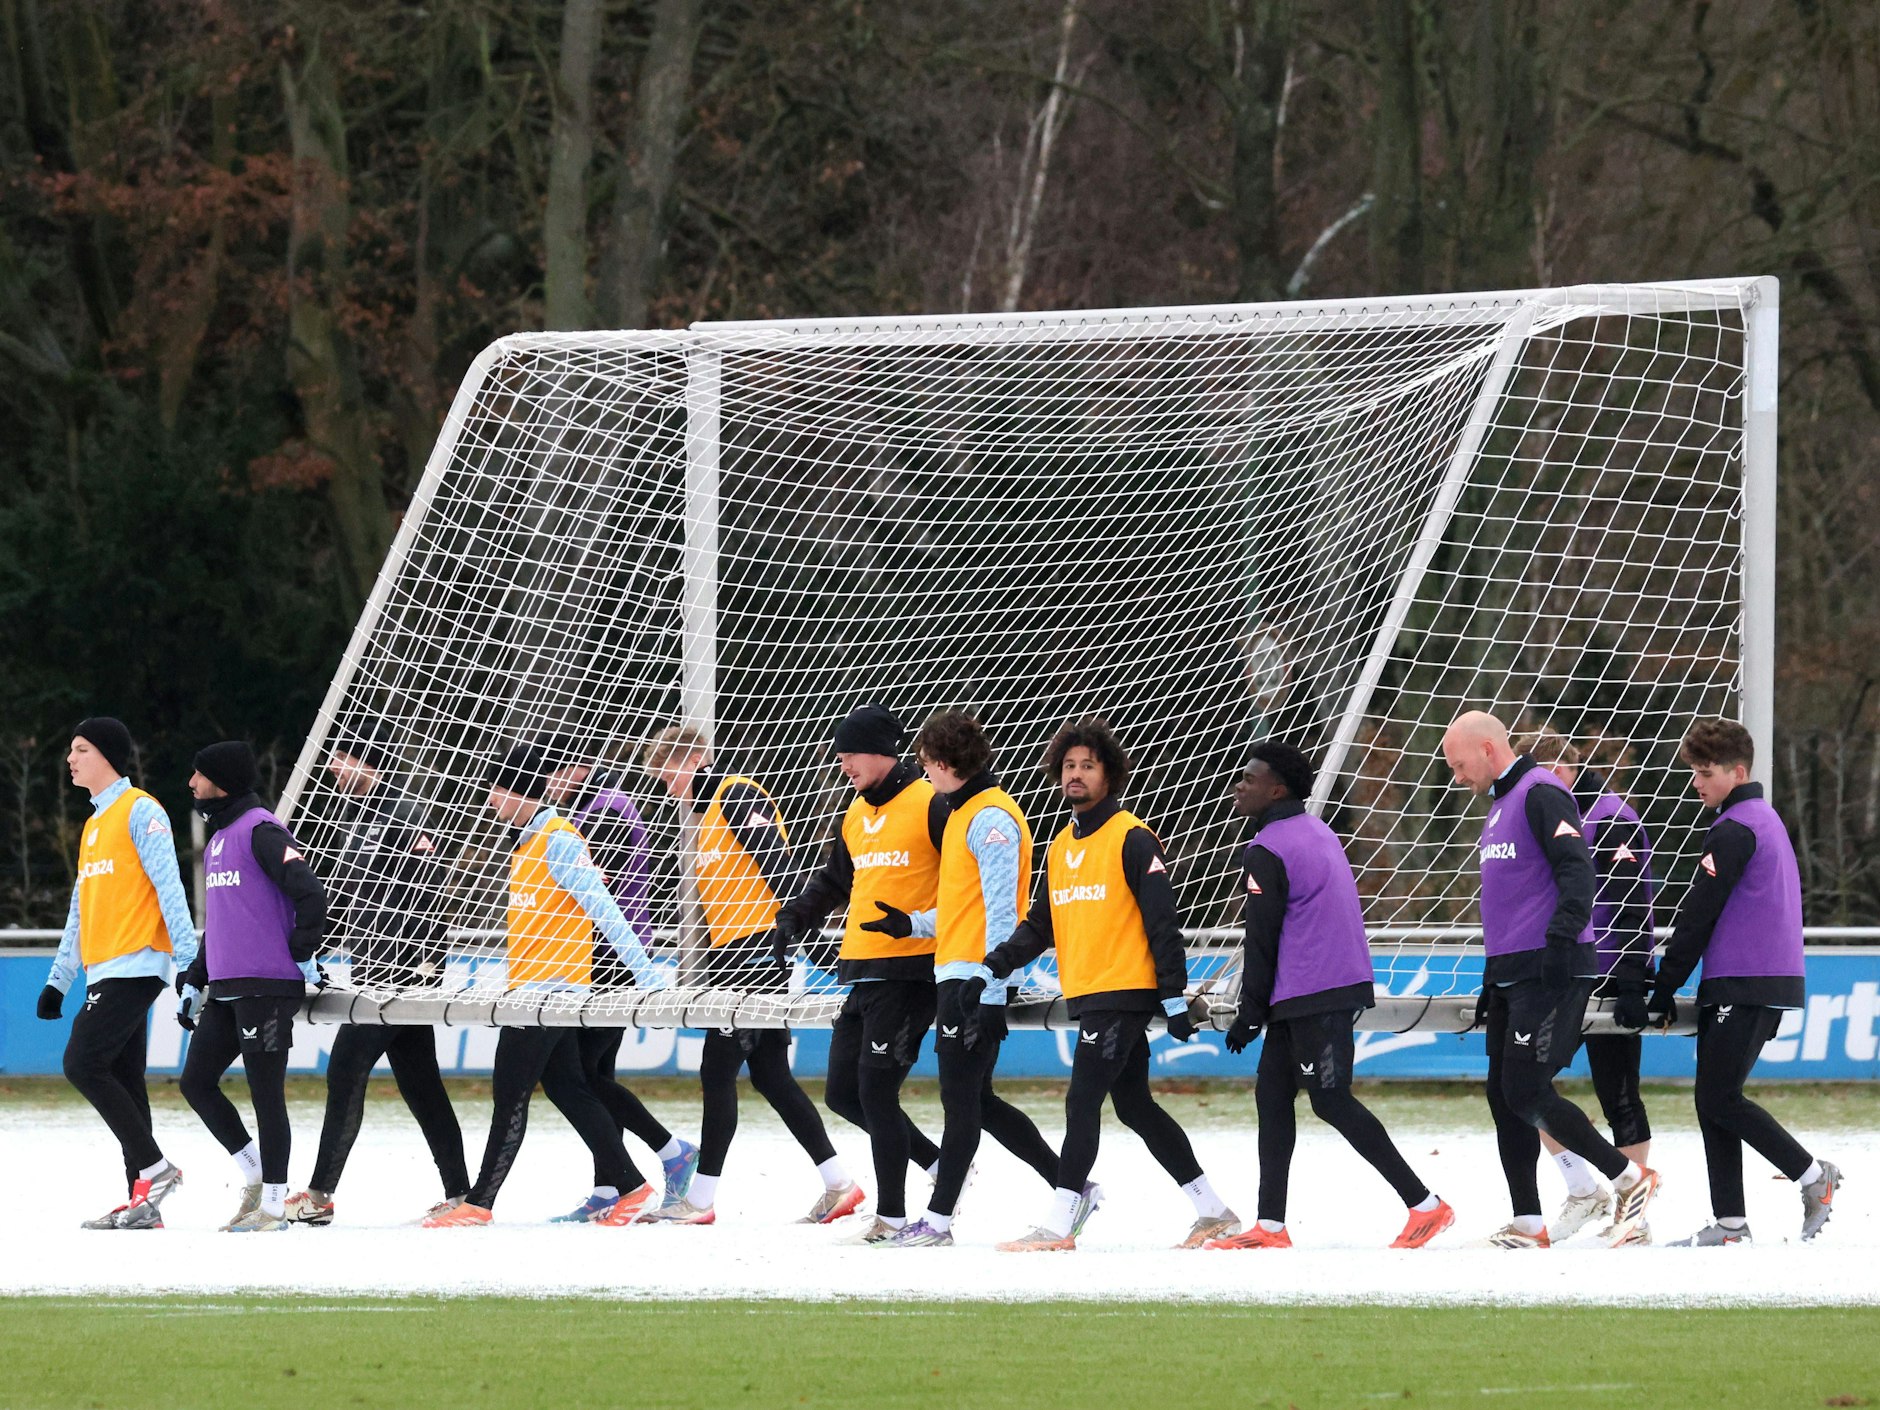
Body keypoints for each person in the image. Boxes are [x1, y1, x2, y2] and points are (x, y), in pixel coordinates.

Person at [976, 717, 1237, 1252]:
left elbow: (1162, 922)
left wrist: (1172, 995)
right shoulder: (1059, 846)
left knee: (1082, 1101)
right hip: (1090, 995)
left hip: (1124, 993)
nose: (1076, 774)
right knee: (1134, 1107)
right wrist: (997, 962)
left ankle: (1061, 1221)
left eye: (1087, 766)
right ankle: (1213, 1211)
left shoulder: (1133, 838)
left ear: (1109, 775)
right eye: (1069, 766)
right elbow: (1040, 924)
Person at [1207, 741, 1452, 1251]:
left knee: (1331, 1101)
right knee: (1272, 1097)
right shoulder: (1318, 831)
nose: (1238, 786)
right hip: (1314, 989)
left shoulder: (1267, 847)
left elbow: (1263, 936)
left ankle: (1426, 1206)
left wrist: (1249, 1013)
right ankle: (1270, 1227)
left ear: (1276, 788)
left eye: (1248, 779)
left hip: (1315, 990)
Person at [423, 740, 666, 1228]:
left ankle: (479, 1202)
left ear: (518, 791)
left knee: (510, 1093)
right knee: (567, 1088)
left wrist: (647, 975)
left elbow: (604, 907)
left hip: (551, 994)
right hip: (534, 991)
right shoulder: (530, 842)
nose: (490, 799)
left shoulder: (560, 838)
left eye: (495, 790)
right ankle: (632, 1187)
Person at [1440, 711, 1660, 1249]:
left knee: (1526, 1089)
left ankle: (1630, 1179)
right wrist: (1495, 975)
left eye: (1459, 764)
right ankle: (1528, 1223)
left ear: (1489, 749)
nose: (1456, 776)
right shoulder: (1499, 805)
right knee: (1502, 1093)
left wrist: (1563, 940)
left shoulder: (1541, 792)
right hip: (1513, 971)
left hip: (1550, 967)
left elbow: (1577, 871)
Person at [632, 725, 857, 1226]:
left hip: (755, 951)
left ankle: (700, 1199)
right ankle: (840, 1183)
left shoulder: (734, 792)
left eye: (667, 773)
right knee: (772, 1077)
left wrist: (799, 935)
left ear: (692, 760)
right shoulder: (704, 816)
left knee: (717, 1070)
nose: (666, 786)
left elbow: (779, 867)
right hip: (734, 953)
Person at [1649, 718, 1842, 1245]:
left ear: (1738, 772)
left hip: (1747, 979)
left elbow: (1698, 914)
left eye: (1705, 772)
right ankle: (1730, 1224)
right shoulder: (1762, 818)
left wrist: (1664, 985)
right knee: (1713, 1097)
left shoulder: (1735, 828)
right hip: (1752, 978)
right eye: (1693, 772)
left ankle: (1811, 1176)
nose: (1697, 782)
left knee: (1719, 1099)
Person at [881, 711, 1064, 1248]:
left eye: (925, 766)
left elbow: (1005, 913)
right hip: (958, 971)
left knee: (960, 1103)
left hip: (972, 978)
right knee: (978, 1104)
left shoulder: (990, 817)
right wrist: (911, 924)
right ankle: (1071, 1187)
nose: (925, 776)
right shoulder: (964, 812)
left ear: (941, 763)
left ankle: (937, 1222)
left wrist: (990, 989)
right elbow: (965, 908)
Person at [285, 720, 470, 1226]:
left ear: (366, 759)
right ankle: (461, 1193)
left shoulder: (402, 812)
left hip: (402, 972)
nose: (333, 770)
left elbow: (432, 890)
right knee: (421, 1086)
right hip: (371, 968)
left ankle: (320, 1194)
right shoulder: (352, 816)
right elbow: (349, 900)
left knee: (346, 1071)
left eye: (341, 759)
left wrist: (430, 962)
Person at [773, 704, 946, 1244]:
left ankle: (891, 1218)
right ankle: (942, 1166)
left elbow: (968, 885)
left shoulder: (932, 804)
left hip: (914, 970)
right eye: (841, 753)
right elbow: (834, 881)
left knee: (875, 1094)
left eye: (850, 753)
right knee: (843, 1095)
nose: (843, 762)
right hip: (864, 969)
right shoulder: (854, 813)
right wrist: (794, 916)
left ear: (881, 752)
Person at [39, 718, 199, 1230]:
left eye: (80, 749)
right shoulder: (92, 825)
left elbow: (170, 888)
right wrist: (58, 978)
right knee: (127, 1082)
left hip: (137, 964)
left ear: (107, 755)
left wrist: (191, 964)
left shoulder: (141, 810)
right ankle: (142, 1205)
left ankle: (157, 1170)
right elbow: (80, 910)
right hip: (103, 968)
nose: (71, 758)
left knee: (82, 1064)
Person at [538, 736, 699, 1222]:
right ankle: (609, 1185)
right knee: (594, 1076)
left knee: (579, 1078)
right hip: (610, 957)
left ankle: (670, 1150)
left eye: (556, 772)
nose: (549, 784)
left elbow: (594, 894)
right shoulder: (603, 805)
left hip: (611, 960)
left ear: (580, 769)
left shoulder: (603, 811)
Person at [177, 741, 326, 1233]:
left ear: (221, 780)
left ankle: (276, 1206)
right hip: (227, 987)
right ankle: (257, 1177)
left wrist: (300, 952)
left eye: (199, 775)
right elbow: (222, 922)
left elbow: (309, 894)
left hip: (266, 986)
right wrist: (197, 977)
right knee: (195, 1082)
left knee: (267, 1095)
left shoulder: (261, 829)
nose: (192, 784)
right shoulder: (220, 836)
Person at [1520, 728, 1656, 1241]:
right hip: (1571, 969)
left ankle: (1635, 1214)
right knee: (1527, 1084)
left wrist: (1630, 981)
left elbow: (1629, 900)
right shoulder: (1562, 817)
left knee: (1618, 1092)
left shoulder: (1611, 817)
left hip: (1608, 971)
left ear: (1558, 770)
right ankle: (1584, 1190)